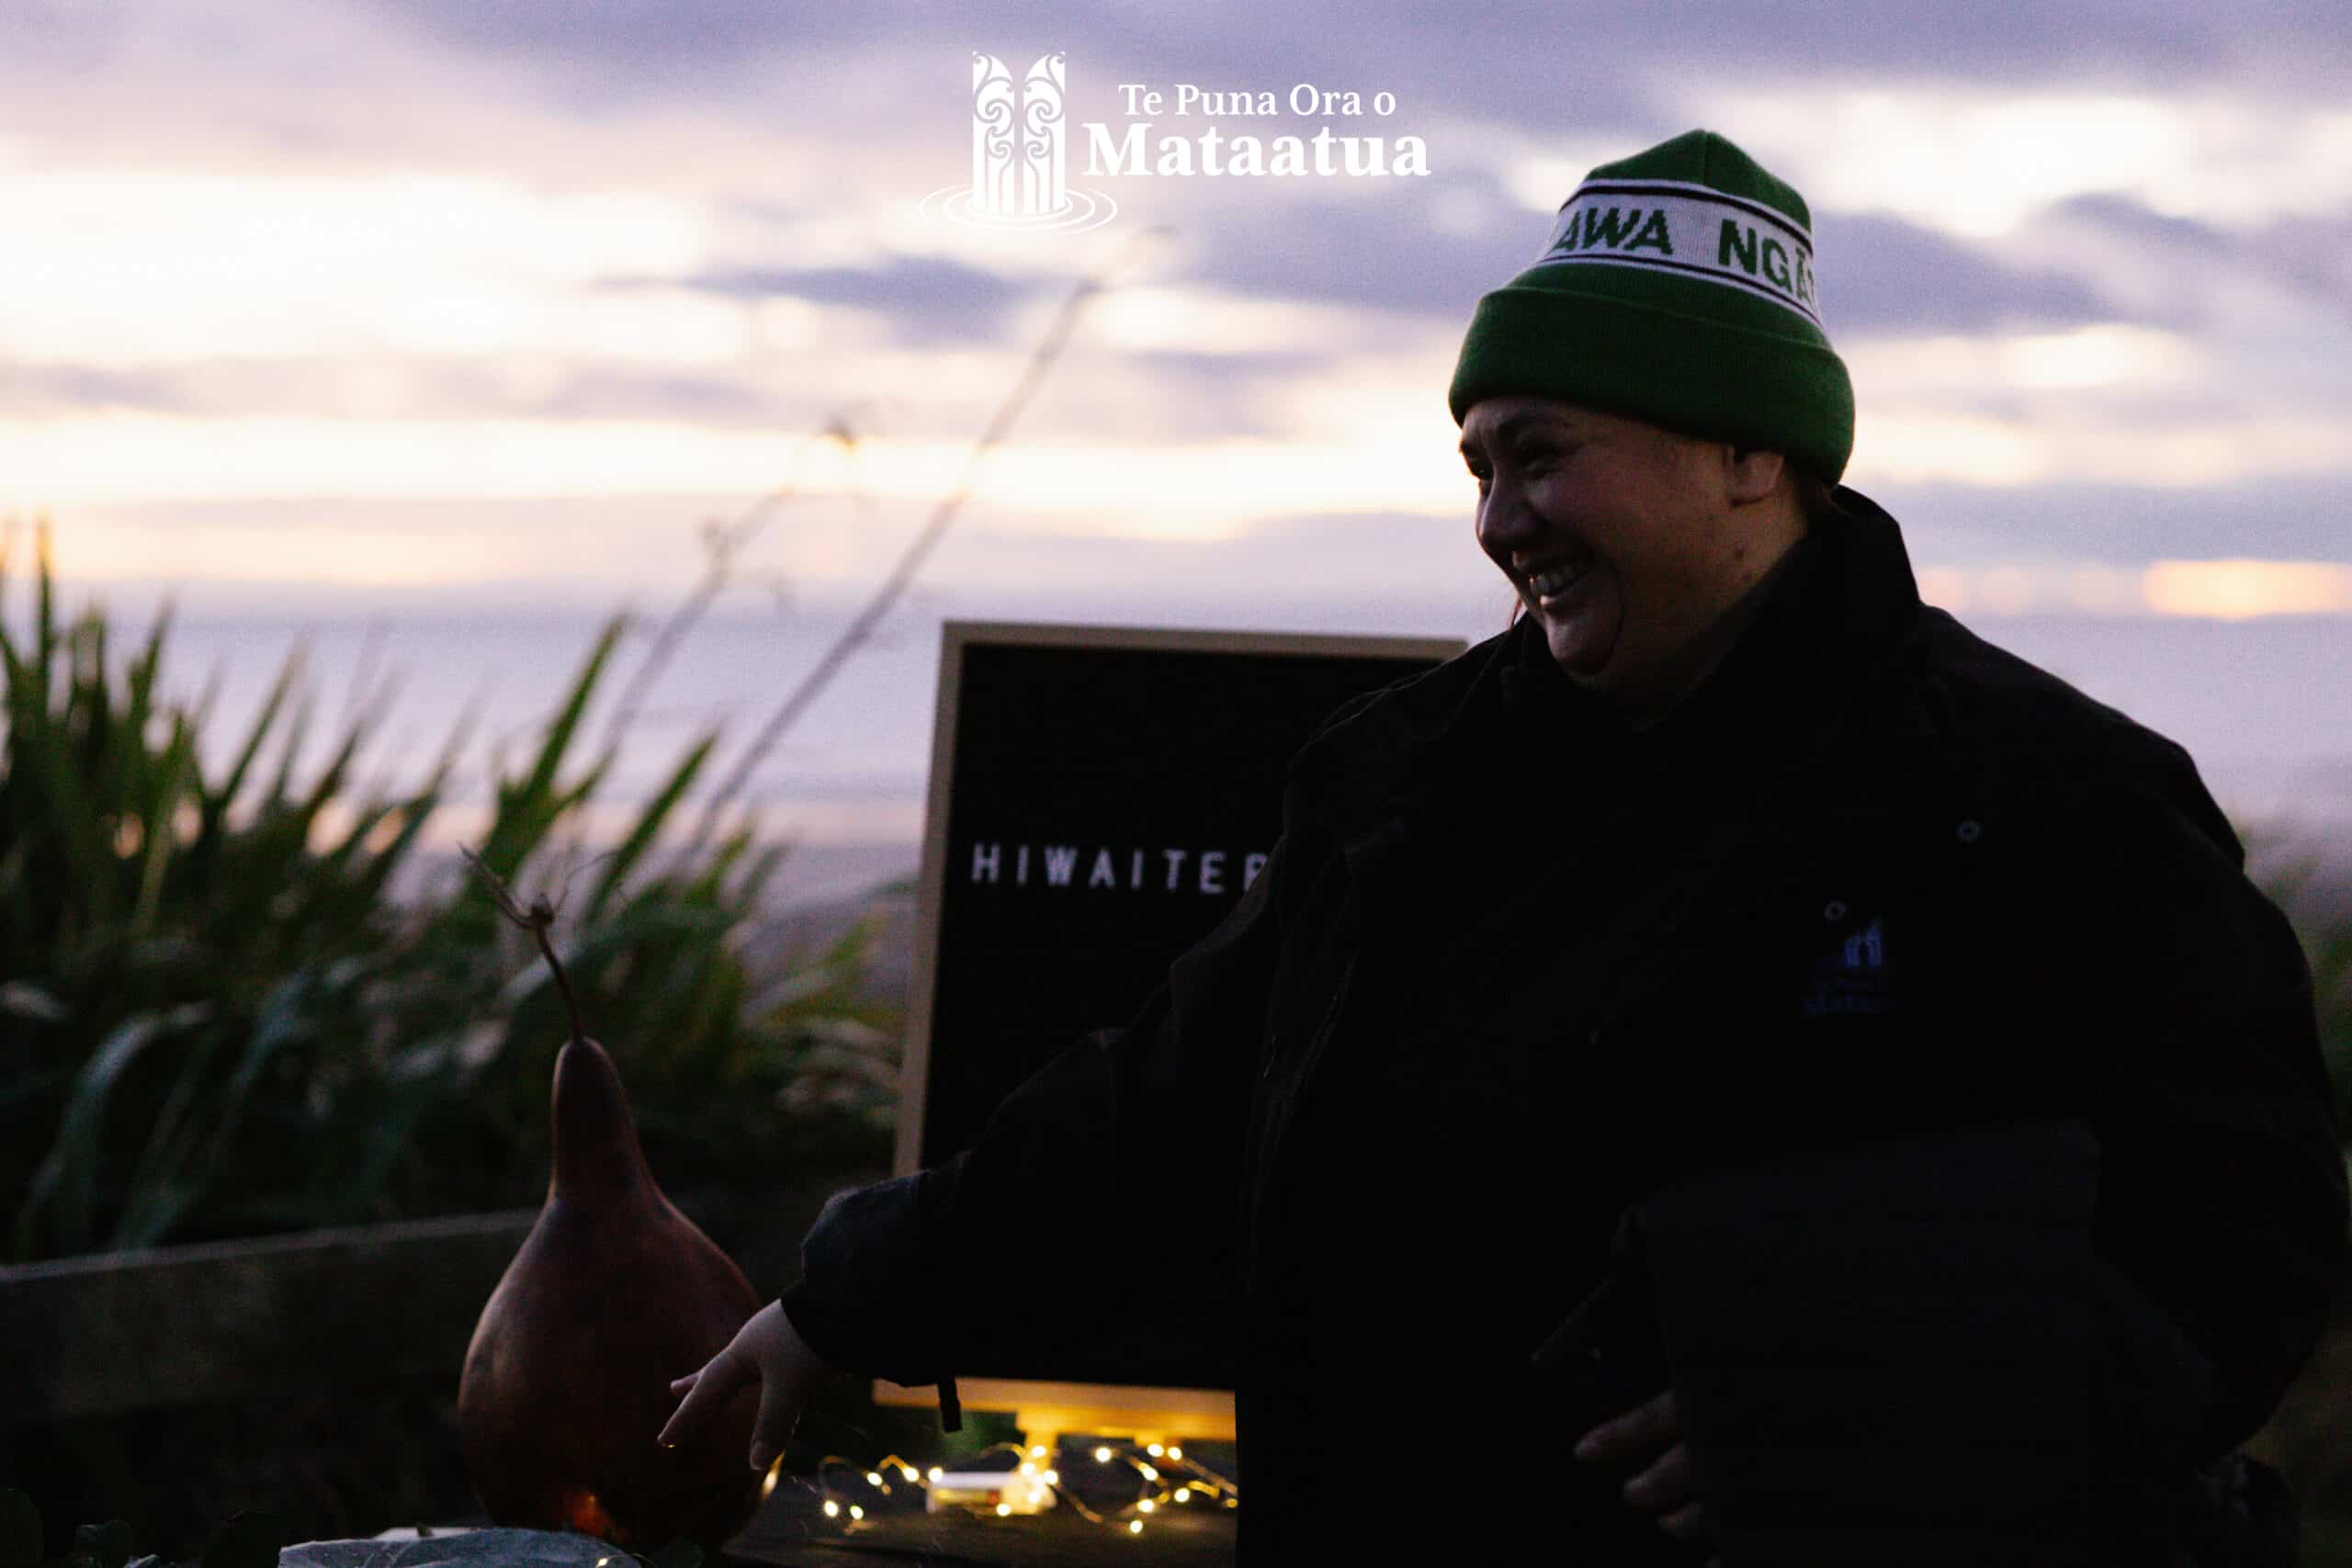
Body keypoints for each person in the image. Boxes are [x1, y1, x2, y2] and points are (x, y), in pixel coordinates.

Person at [660, 130, 2346, 1563]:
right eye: (1478, 465)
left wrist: (1905, 1412)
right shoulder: (1408, 780)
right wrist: (840, 1303)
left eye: (1542, 458)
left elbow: (2242, 1236)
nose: (1498, 523)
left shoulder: (2038, 799)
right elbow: (1164, 1097)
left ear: (1754, 453)